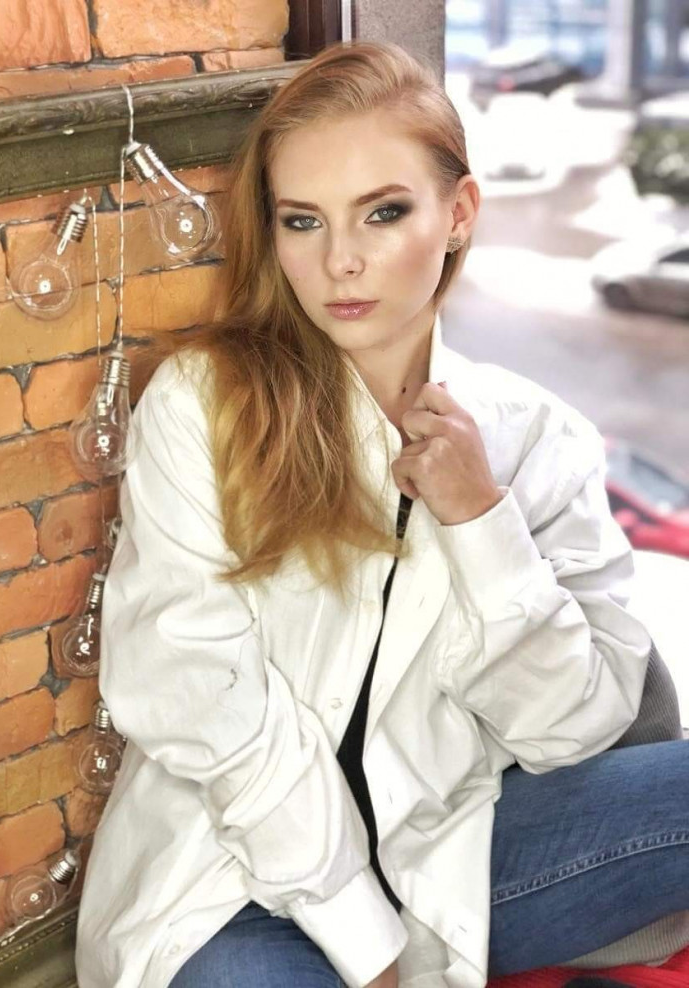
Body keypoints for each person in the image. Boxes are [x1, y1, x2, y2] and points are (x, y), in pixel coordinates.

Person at [75, 40, 689, 988]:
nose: (342, 261)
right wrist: (372, 948)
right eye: (303, 221)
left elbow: (571, 731)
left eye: (384, 212)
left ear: (459, 213)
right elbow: (199, 697)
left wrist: (480, 521)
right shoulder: (204, 404)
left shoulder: (542, 439)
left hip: (457, 856)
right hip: (234, 884)